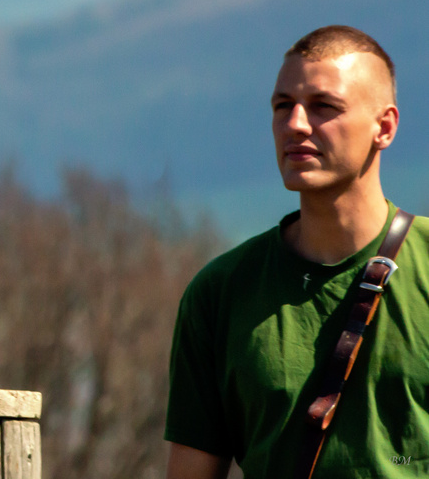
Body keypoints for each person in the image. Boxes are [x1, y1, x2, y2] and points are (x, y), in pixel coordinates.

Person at [165, 25, 428, 479]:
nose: (296, 124)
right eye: (283, 106)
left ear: (383, 127)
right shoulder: (220, 293)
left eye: (324, 106)